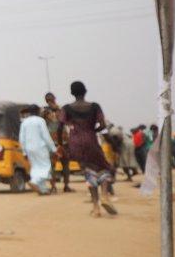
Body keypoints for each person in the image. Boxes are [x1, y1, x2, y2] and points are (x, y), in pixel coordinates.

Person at [60, 82, 117, 217]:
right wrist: (92, 130)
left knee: (88, 171)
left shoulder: (66, 108)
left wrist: (61, 144)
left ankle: (96, 208)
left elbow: (60, 126)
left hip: (75, 143)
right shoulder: (94, 107)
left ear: (72, 93)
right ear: (85, 92)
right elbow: (102, 125)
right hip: (91, 140)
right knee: (104, 168)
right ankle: (104, 195)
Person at [19, 106, 56, 194]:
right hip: (40, 147)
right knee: (45, 166)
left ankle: (42, 189)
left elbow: (21, 138)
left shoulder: (24, 122)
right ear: (37, 112)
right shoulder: (40, 120)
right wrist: (54, 149)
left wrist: (24, 151)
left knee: (36, 167)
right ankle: (34, 181)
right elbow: (46, 136)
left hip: (29, 148)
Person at [44, 92, 71, 192]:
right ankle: (64, 186)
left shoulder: (46, 112)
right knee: (63, 164)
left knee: (54, 165)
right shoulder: (59, 110)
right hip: (61, 141)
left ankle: (55, 186)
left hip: (55, 141)